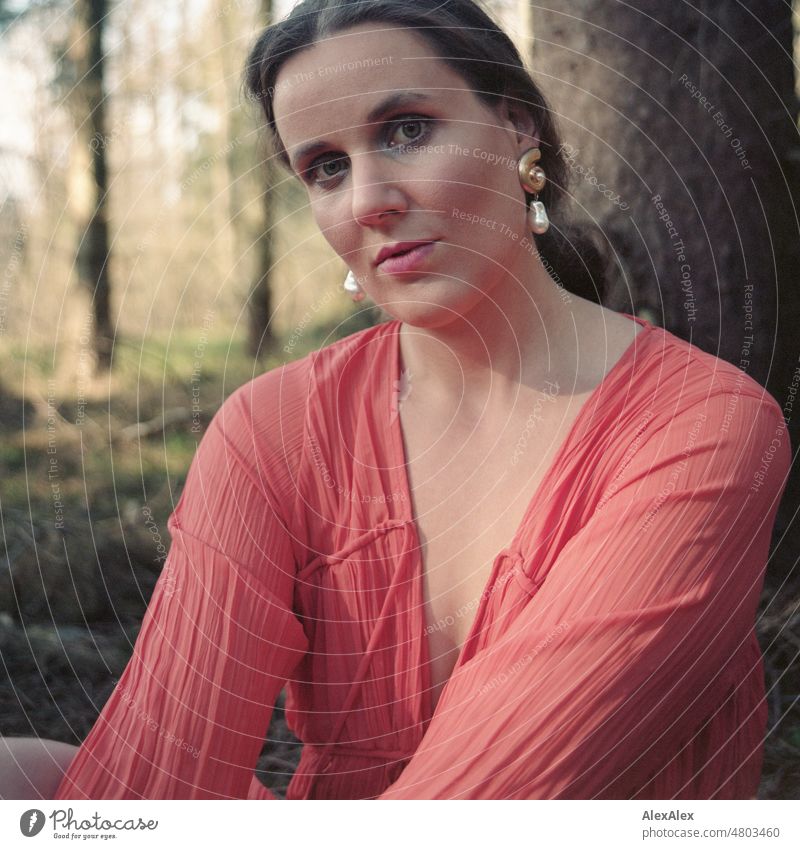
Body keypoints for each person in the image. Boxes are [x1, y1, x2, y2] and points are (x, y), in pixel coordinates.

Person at [4, 0, 789, 800]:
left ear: (518, 126)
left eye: (407, 129)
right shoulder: (271, 429)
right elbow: (151, 784)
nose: (367, 199)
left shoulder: (703, 425)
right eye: (326, 168)